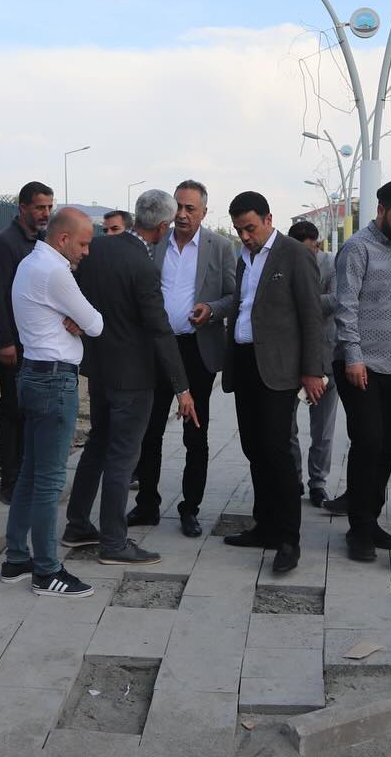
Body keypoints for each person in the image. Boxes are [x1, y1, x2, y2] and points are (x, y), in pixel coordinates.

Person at [63, 190, 197, 563]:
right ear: (163, 226)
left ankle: (77, 525)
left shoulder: (99, 249)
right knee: (122, 458)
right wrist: (181, 386)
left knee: (97, 446)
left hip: (99, 369)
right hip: (134, 377)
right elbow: (159, 329)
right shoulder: (143, 266)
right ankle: (113, 542)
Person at [1, 207, 104, 598]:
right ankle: (47, 570)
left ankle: (16, 558)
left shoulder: (32, 263)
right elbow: (95, 323)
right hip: (54, 381)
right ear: (63, 239)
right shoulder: (56, 272)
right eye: (83, 243)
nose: (86, 252)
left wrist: (76, 318)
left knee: (31, 474)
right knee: (48, 481)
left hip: (34, 373)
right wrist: (80, 319)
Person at [222, 191, 326, 574]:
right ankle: (264, 525)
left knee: (278, 451)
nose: (245, 236)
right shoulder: (244, 258)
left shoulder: (295, 255)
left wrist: (313, 370)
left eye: (249, 228)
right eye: (238, 230)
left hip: (280, 369)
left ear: (268, 219)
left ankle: (288, 539)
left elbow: (312, 316)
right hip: (246, 362)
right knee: (255, 448)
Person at [129, 180, 236, 537]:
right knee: (150, 430)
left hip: (197, 349)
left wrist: (213, 309)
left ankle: (190, 508)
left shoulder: (220, 248)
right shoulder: (154, 244)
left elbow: (235, 296)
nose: (184, 214)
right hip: (156, 349)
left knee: (196, 433)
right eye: (179, 207)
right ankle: (147, 504)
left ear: (205, 211)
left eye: (191, 208)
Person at [331, 179, 391, 562]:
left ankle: (371, 520)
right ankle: (358, 530)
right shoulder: (357, 249)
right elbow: (345, 306)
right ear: (381, 211)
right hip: (361, 365)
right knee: (368, 442)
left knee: (387, 447)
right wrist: (352, 356)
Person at [0, 182, 54, 503]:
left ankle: (28, 473)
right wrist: (5, 341)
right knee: (12, 410)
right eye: (40, 207)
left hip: (40, 344)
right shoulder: (4, 244)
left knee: (34, 412)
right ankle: (9, 479)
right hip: (15, 345)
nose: (46, 213)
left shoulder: (43, 243)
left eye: (50, 207)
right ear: (23, 207)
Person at [286, 220, 339, 508]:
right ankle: (293, 480)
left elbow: (337, 300)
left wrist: (302, 302)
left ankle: (318, 482)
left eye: (310, 251)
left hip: (326, 356)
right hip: (289, 359)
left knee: (323, 429)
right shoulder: (282, 263)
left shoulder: (331, 264)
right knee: (287, 428)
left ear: (317, 246)